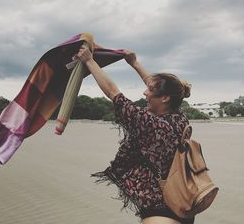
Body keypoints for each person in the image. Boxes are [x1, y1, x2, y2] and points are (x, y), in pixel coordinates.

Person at [77, 45, 194, 224]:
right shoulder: (180, 118)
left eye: (150, 90)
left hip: (162, 208)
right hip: (183, 203)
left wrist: (89, 61)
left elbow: (113, 92)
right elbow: (158, 87)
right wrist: (134, 63)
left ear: (165, 98)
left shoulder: (150, 124)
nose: (145, 92)